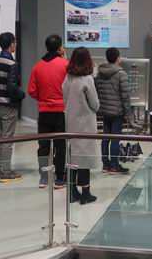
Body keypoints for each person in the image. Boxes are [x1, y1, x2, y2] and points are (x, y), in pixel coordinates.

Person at [28, 34, 68, 189]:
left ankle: (44, 178)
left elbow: (32, 91)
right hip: (61, 111)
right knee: (60, 145)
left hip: (44, 112)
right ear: (60, 48)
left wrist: (43, 98)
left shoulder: (37, 67)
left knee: (43, 145)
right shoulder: (65, 65)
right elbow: (70, 86)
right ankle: (60, 179)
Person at [0, 32, 25, 183]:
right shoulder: (12, 64)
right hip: (8, 106)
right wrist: (22, 94)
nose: (15, 45)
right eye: (15, 42)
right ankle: (6, 173)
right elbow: (12, 87)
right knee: (7, 140)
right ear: (11, 45)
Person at [63, 47, 100, 204]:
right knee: (85, 159)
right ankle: (86, 193)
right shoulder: (87, 79)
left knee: (72, 158)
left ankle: (72, 192)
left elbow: (64, 99)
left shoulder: (67, 78)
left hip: (70, 122)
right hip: (85, 124)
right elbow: (95, 104)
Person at [95, 47, 131, 174]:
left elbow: (97, 91)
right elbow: (125, 95)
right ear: (117, 58)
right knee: (115, 138)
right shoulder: (121, 74)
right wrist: (128, 112)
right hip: (117, 112)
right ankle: (114, 166)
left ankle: (106, 165)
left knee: (105, 138)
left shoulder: (99, 74)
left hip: (105, 111)